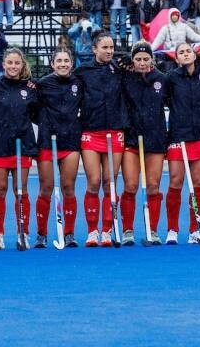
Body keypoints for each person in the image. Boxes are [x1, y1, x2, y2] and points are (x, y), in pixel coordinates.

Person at [73, 31, 128, 247]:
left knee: (110, 183)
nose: (109, 51)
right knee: (94, 181)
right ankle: (92, 231)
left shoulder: (120, 69)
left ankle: (107, 230)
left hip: (115, 132)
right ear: (94, 49)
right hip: (91, 132)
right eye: (105, 47)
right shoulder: (82, 71)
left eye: (112, 47)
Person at [0, 48, 39, 250]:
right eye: (10, 63)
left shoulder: (31, 88)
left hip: (22, 145)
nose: (13, 67)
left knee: (21, 190)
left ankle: (23, 232)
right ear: (3, 64)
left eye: (17, 63)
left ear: (22, 64)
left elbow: (37, 114)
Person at [35, 47, 82, 248]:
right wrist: (47, 124)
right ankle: (41, 234)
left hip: (70, 141)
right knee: (46, 188)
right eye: (59, 61)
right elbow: (32, 110)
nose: (63, 64)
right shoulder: (42, 84)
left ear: (71, 63)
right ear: (52, 64)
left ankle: (69, 233)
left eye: (66, 60)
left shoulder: (78, 83)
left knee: (68, 188)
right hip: (48, 141)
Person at [121, 42, 168, 245]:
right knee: (131, 185)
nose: (142, 63)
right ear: (133, 61)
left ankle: (153, 230)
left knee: (153, 186)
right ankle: (127, 230)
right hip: (132, 139)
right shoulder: (125, 78)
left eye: (145, 59)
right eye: (138, 59)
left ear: (152, 60)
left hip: (155, 138)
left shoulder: (162, 80)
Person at [165, 43, 200, 244]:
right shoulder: (171, 78)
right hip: (178, 137)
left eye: (187, 51)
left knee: (197, 184)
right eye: (181, 52)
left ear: (193, 55)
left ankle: (194, 230)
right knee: (175, 182)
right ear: (176, 58)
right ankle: (172, 230)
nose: (185, 54)